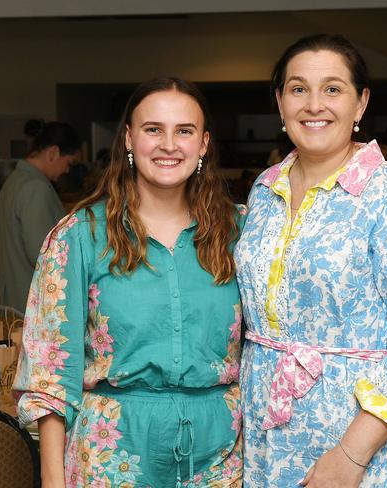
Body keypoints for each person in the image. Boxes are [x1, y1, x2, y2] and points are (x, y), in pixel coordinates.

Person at [235, 34, 387, 487]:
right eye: (298, 89)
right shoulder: (264, 189)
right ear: (280, 103)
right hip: (263, 439)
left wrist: (350, 457)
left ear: (361, 104)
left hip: (357, 445)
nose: (314, 104)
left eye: (333, 89)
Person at [14, 77, 244, 488]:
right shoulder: (79, 237)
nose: (168, 144)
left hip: (221, 457)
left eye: (184, 131)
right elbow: (48, 374)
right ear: (128, 139)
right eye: (153, 129)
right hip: (111, 453)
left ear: (204, 144)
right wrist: (52, 480)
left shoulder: (239, 232)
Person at [0, 121, 81, 314]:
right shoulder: (36, 188)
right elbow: (42, 255)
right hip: (34, 303)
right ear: (53, 152)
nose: (67, 170)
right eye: (69, 163)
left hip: (16, 298)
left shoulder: (14, 181)